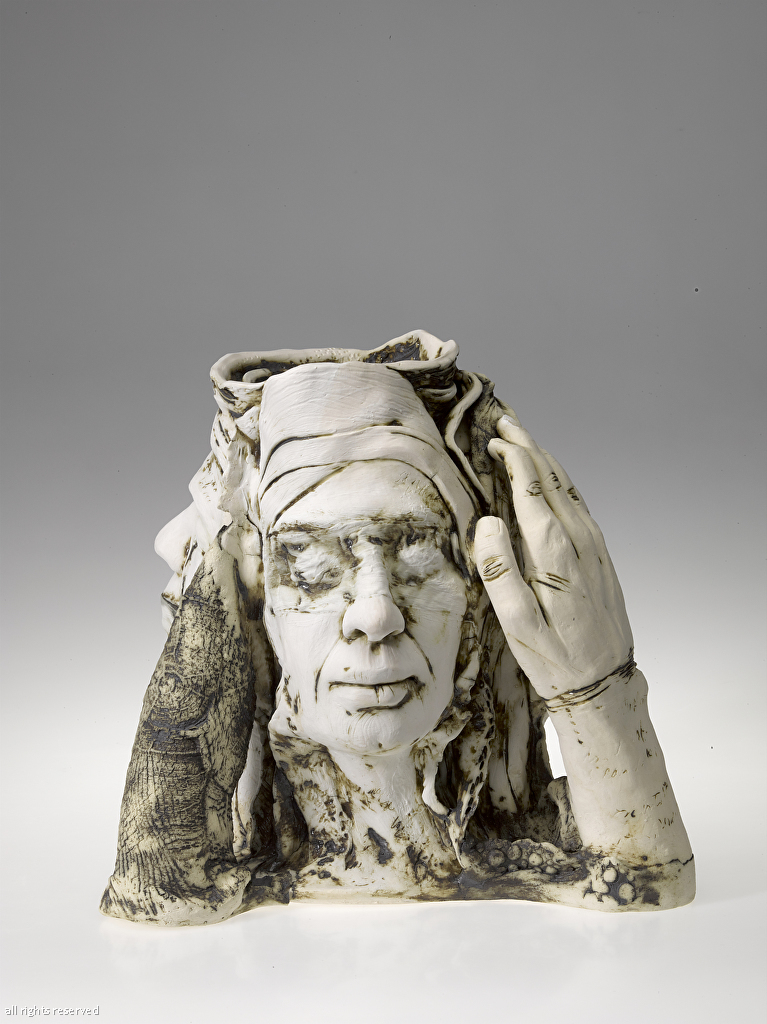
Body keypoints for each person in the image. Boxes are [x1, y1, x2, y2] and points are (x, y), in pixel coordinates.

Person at [100, 331, 694, 926]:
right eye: (310, 566)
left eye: (420, 555)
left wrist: (595, 691)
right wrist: (203, 636)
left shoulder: (534, 834)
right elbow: (155, 896)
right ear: (263, 609)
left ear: (476, 597)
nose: (377, 615)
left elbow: (651, 876)